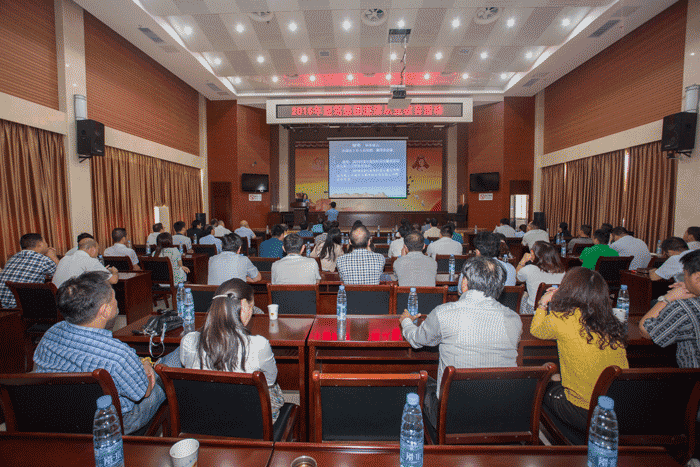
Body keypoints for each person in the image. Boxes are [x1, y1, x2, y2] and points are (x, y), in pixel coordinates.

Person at [34, 271, 172, 434]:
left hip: (59, 417)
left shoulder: (51, 333)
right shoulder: (118, 355)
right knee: (170, 364)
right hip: (116, 422)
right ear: (105, 310)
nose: (116, 301)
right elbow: (145, 392)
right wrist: (148, 368)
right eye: (113, 298)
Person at [399, 256, 522, 426]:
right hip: (500, 414)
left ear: (464, 283)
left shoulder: (445, 313)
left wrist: (406, 321)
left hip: (453, 418)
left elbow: (416, 340)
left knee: (415, 378)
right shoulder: (514, 319)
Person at [532, 267, 628, 440]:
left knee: (539, 387)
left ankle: (570, 441)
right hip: (617, 410)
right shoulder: (611, 321)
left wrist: (543, 303)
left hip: (584, 411)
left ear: (567, 289)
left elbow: (536, 329)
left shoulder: (562, 318)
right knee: (556, 378)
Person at [179, 278, 285, 421]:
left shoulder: (188, 341)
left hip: (205, 418)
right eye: (252, 307)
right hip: (250, 421)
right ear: (244, 306)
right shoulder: (259, 345)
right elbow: (270, 381)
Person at [640, 249, 700, 368]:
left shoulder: (684, 307)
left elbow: (645, 331)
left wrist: (667, 298)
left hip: (692, 377)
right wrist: (693, 289)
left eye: (684, 274)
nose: (684, 279)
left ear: (697, 277)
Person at [0, 233, 59, 309]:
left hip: (4, 309)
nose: (47, 245)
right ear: (40, 244)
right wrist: (53, 257)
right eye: (45, 242)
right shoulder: (43, 260)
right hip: (26, 309)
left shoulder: (11, 259)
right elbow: (61, 274)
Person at [516, 241, 565, 314]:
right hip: (555, 310)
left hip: (533, 310)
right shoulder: (562, 272)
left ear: (532, 253)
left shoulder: (528, 269)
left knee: (522, 294)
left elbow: (517, 278)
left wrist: (522, 262)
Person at [52, 238, 118, 288]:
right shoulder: (90, 261)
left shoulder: (64, 259)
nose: (97, 253)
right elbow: (113, 280)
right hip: (73, 299)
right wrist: (115, 272)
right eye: (97, 249)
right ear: (93, 249)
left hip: (57, 298)